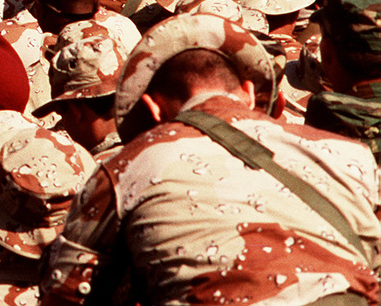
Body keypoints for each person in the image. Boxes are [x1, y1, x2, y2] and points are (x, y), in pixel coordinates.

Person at [43, 16, 381, 306]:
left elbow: (67, 294)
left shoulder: (125, 169)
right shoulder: (351, 154)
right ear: (250, 93)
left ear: (153, 110)